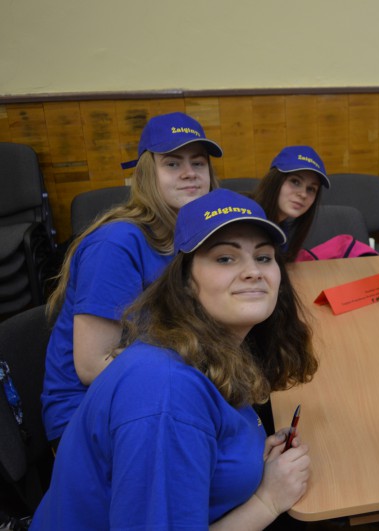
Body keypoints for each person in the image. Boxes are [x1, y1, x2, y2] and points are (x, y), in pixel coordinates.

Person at [31, 188, 318, 529]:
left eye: (264, 257)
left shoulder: (209, 348)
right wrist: (267, 500)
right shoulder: (166, 395)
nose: (253, 271)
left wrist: (249, 460)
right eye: (225, 258)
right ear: (185, 282)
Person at [41, 112, 222, 444]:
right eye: (172, 163)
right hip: (86, 418)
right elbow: (92, 365)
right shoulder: (116, 244)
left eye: (198, 163)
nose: (189, 173)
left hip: (152, 391)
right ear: (147, 174)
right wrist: (198, 374)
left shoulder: (190, 238)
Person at [252, 145, 330, 262]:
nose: (303, 194)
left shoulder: (283, 229)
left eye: (311, 189)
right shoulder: (248, 221)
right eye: (295, 182)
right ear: (274, 180)